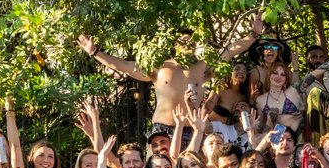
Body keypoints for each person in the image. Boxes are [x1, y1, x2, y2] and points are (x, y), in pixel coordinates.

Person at [78, 17, 262, 130]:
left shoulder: (202, 67)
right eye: (183, 42)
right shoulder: (160, 67)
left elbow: (231, 51)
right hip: (163, 128)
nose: (188, 45)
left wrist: (254, 34)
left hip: (191, 128)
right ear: (175, 45)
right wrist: (95, 53)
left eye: (192, 42)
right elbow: (125, 66)